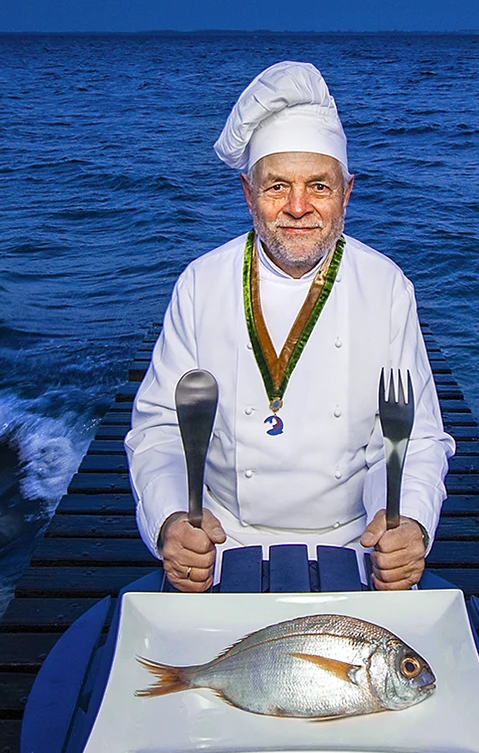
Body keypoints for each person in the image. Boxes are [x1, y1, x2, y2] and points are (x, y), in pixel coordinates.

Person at [125, 61, 453, 591]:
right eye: (277, 186)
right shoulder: (200, 284)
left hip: (354, 545)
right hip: (222, 542)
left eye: (318, 186)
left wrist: (408, 524)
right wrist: (170, 521)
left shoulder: (387, 287)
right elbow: (161, 427)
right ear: (248, 193)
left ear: (346, 194)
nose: (298, 208)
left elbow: (412, 437)